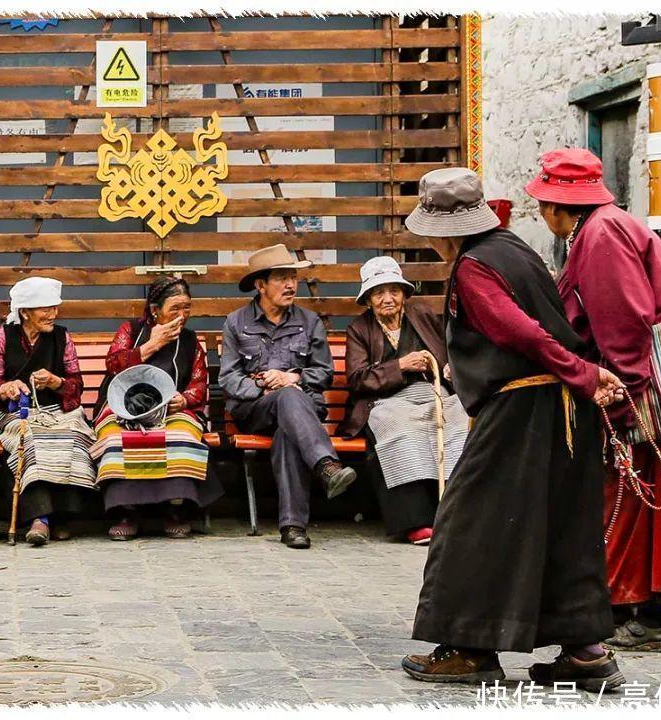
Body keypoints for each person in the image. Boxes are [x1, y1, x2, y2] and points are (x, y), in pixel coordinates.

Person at [399, 167, 628, 691]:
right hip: (561, 409)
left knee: (470, 523)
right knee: (561, 527)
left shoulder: (474, 266)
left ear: (443, 230)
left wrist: (585, 373)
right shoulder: (515, 248)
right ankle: (585, 653)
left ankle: (467, 648)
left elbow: (524, 332)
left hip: (520, 411)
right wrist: (581, 376)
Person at [526, 148, 661, 653]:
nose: (542, 213)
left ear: (562, 207)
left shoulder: (602, 236)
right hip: (640, 391)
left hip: (635, 393)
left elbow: (624, 324)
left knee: (625, 508)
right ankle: (649, 616)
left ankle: (627, 616)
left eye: (544, 204)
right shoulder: (611, 226)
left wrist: (621, 407)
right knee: (645, 510)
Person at [218, 244, 357, 550]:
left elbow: (323, 373)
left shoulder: (310, 322)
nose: (291, 285)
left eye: (293, 277)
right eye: (281, 278)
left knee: (288, 430)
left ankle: (293, 527)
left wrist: (293, 378)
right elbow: (228, 378)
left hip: (301, 414)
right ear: (260, 285)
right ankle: (326, 466)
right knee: (285, 398)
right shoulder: (236, 323)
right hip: (255, 411)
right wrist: (265, 387)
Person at [338, 256, 466, 545]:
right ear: (368, 299)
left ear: (404, 294)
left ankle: (459, 513)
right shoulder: (359, 330)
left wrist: (447, 367)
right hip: (387, 402)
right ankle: (417, 520)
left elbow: (450, 352)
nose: (388, 298)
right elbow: (358, 379)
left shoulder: (422, 316)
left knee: (460, 419)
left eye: (394, 290)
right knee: (401, 429)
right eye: (379, 292)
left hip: (434, 395)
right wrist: (401, 366)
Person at [90, 276, 223, 539]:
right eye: (175, 308)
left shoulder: (190, 340)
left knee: (181, 436)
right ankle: (126, 510)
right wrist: (152, 345)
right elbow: (113, 365)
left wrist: (184, 399)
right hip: (122, 405)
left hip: (172, 409)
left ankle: (175, 507)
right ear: (155, 310)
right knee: (117, 438)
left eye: (187, 307)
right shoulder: (130, 330)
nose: (182, 315)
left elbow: (199, 384)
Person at [0, 277, 97, 546]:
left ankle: (62, 516)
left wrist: (57, 382)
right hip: (17, 413)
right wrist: (7, 387)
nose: (52, 314)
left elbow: (76, 384)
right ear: (25, 312)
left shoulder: (62, 337)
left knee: (71, 438)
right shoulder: (4, 336)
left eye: (54, 308)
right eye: (45, 308)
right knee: (31, 440)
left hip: (57, 410)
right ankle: (41, 519)